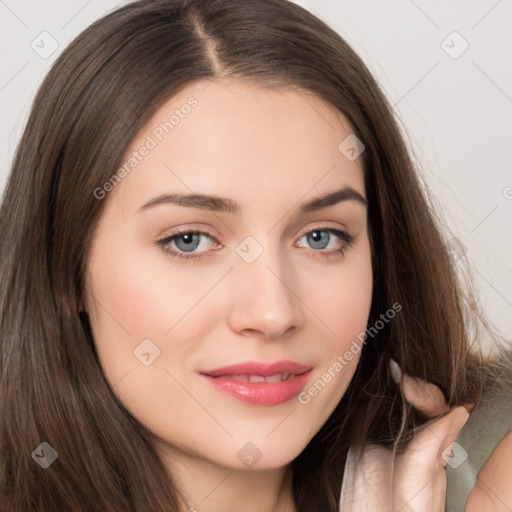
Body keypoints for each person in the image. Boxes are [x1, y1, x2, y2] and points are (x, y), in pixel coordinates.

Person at [0, 1, 510, 511]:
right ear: (64, 268)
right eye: (190, 240)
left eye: (321, 237)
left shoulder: (491, 475)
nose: (273, 313)